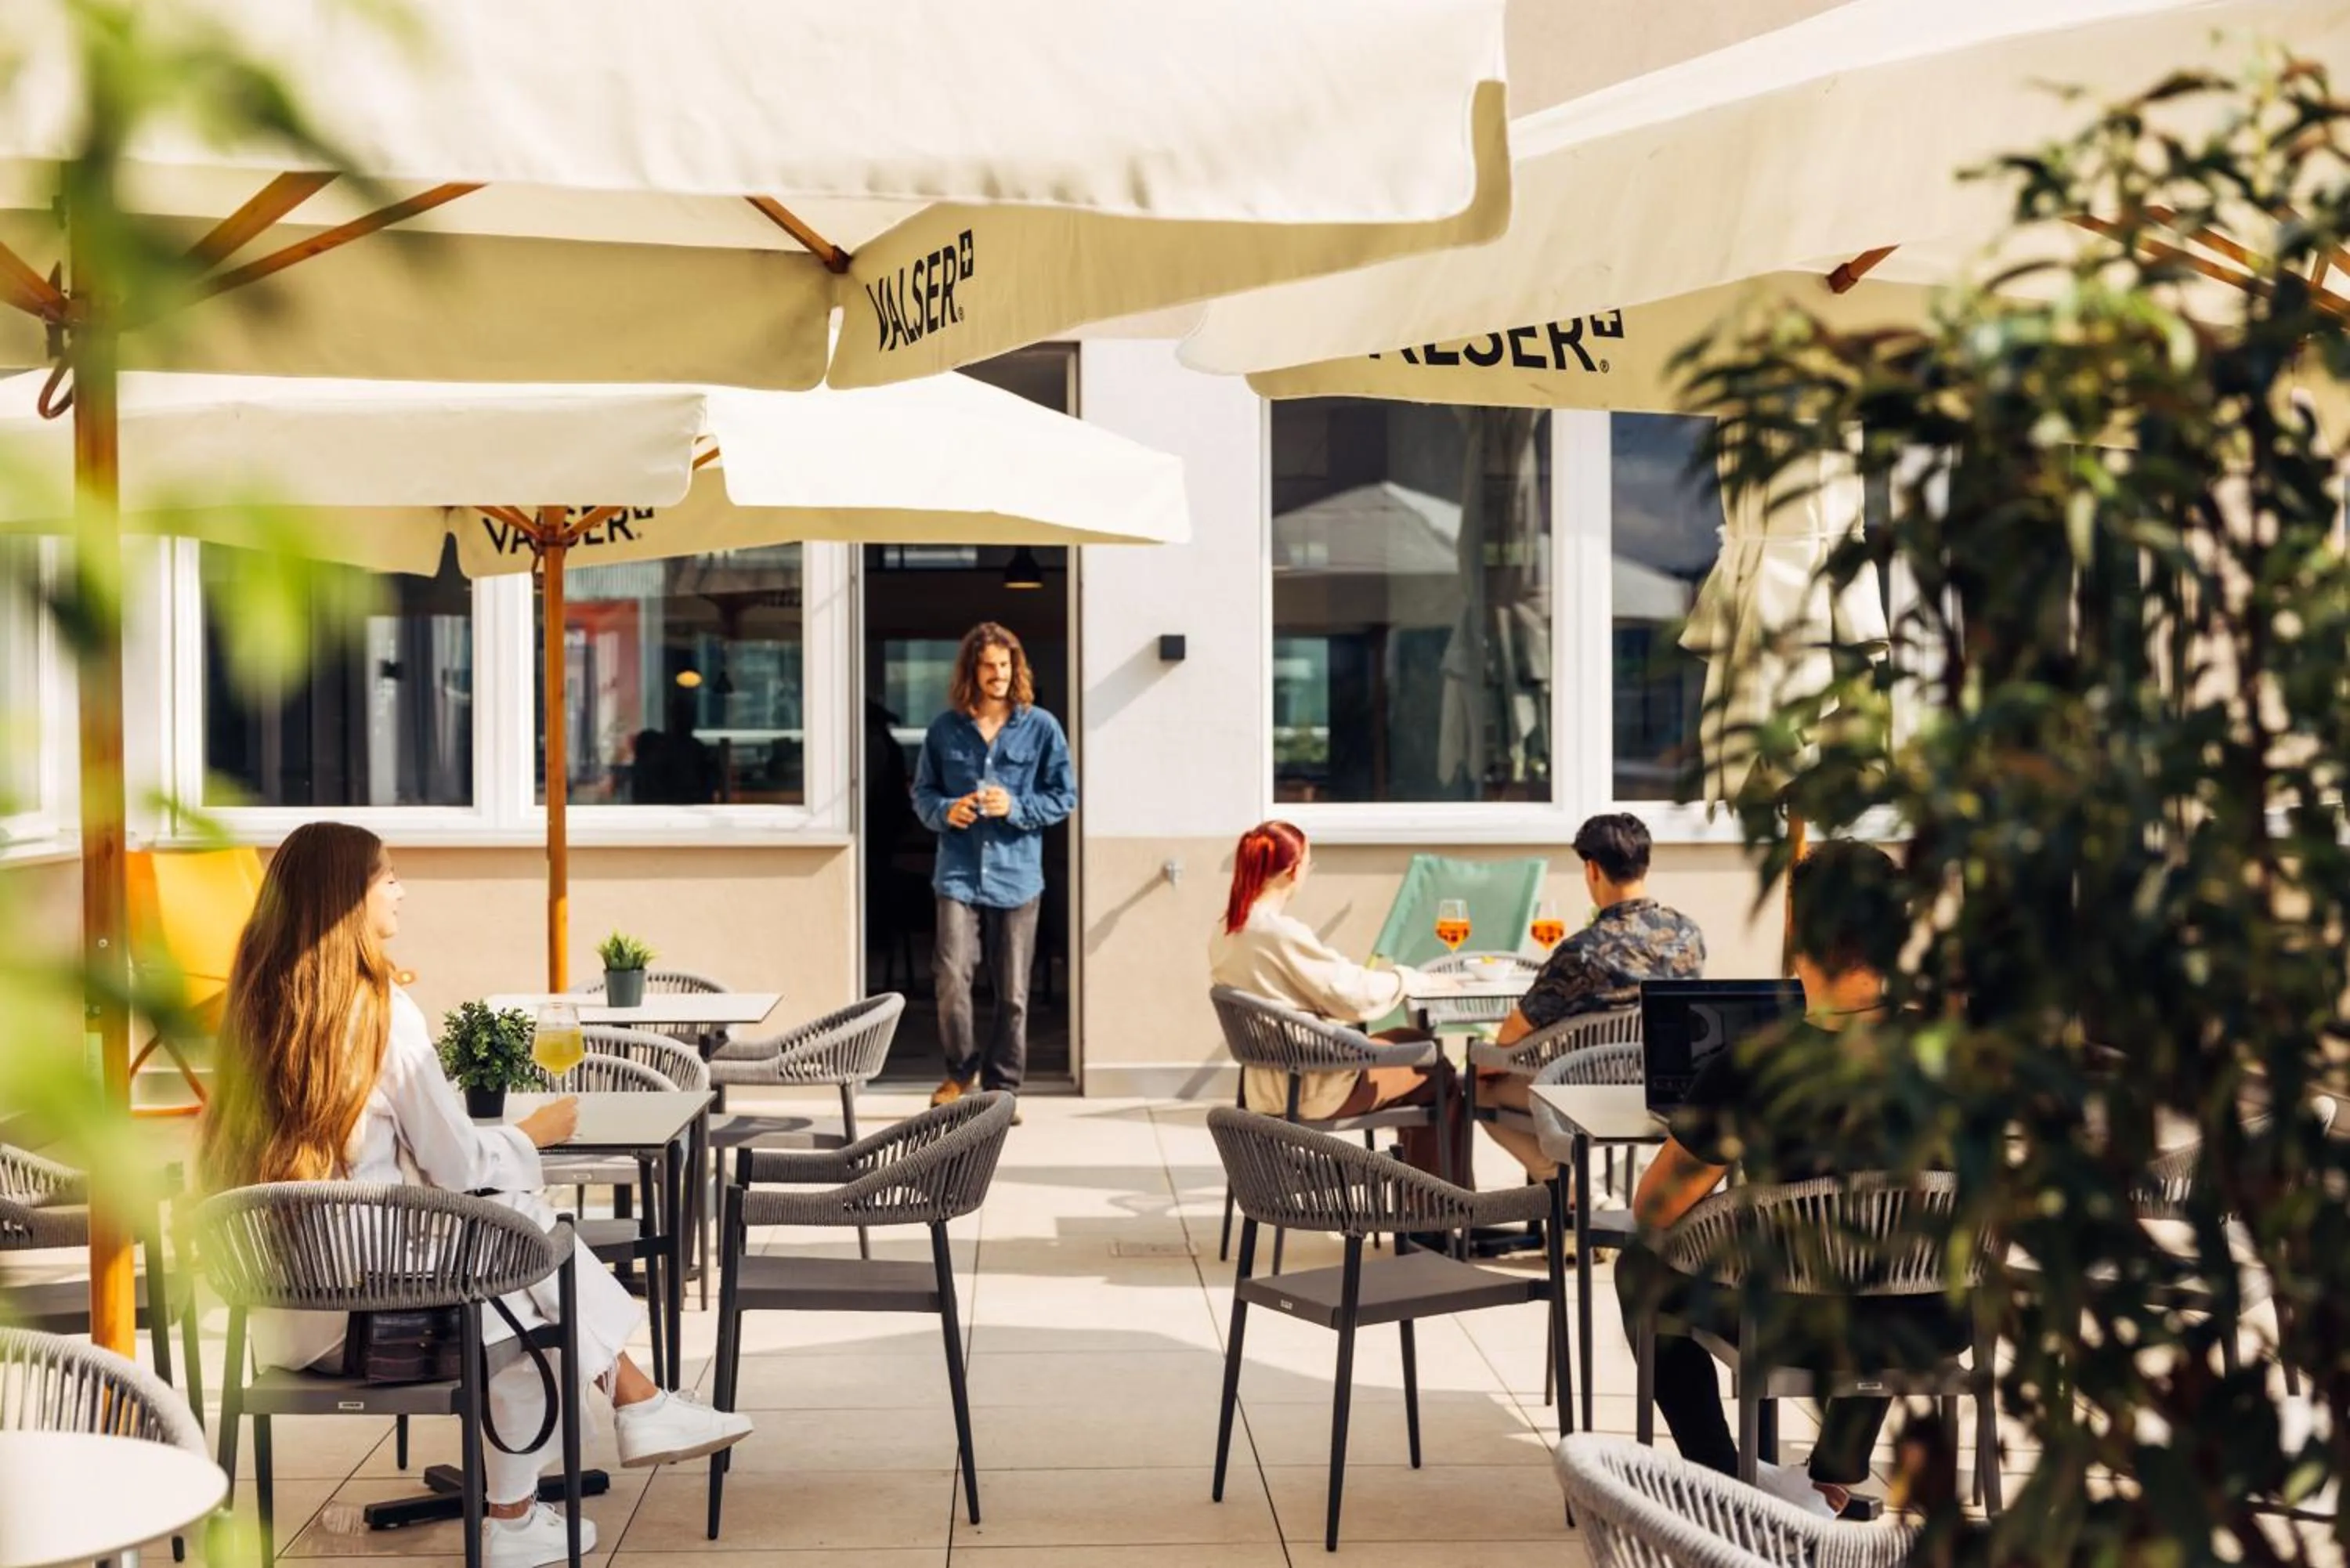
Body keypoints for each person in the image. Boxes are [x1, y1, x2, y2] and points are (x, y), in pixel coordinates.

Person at [199, 822, 753, 1568]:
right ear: (344, 901)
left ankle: (620, 1420)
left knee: (516, 1277)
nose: (400, 889)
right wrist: (533, 1135)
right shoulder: (382, 1015)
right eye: (386, 876)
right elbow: (456, 1162)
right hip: (369, 1319)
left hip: (280, 1322)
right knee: (528, 1266)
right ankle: (593, 1441)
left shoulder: (246, 1017)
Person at [1615, 840, 1965, 1519]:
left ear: (1800, 938)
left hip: (1794, 1322)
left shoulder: (1752, 1066)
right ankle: (1833, 1478)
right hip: (1936, 1318)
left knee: (1641, 1271)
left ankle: (1721, 1481)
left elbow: (1655, 1207)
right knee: (1885, 1267)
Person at [1208, 821, 1468, 1180]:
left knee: (1412, 1043)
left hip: (1268, 1085)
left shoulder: (1228, 931)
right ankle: (1441, 1212)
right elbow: (1351, 995)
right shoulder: (1277, 933)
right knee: (1436, 1069)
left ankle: (1422, 1205)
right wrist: (1408, 979)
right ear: (1293, 869)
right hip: (1315, 1085)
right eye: (1308, 865)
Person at [1480, 813, 1705, 1178]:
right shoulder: (1687, 934)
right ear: (1644, 866)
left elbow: (1510, 1038)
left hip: (1580, 1092)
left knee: (1478, 1088)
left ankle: (1566, 1187)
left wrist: (1482, 1061)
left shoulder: (1583, 951)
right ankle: (1583, 1192)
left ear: (1593, 870)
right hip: (1659, 1091)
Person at [913, 622, 1076, 1112]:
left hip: (1018, 874)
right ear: (973, 670)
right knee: (950, 976)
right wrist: (947, 811)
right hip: (959, 872)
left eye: (1005, 666)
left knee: (1014, 991)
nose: (998, 674)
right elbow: (922, 794)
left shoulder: (1042, 727)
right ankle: (960, 1072)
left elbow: (1064, 796)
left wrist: (1018, 807)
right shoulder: (945, 730)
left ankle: (1003, 1091)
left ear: (1015, 669)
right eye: (989, 666)